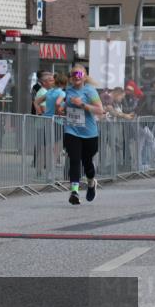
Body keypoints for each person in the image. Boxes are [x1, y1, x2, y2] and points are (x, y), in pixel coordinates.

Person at [63, 63, 106, 205]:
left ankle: (91, 183)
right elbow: (66, 107)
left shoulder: (90, 91)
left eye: (79, 74)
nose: (76, 77)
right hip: (72, 130)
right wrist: (61, 108)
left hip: (89, 133)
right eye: (73, 74)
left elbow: (100, 111)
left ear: (84, 76)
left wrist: (82, 104)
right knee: (74, 159)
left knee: (87, 162)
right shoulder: (68, 90)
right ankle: (74, 191)